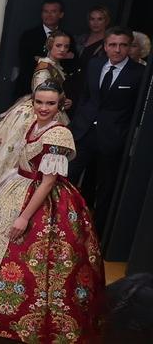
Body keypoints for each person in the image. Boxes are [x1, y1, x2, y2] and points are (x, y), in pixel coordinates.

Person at [0, 81, 105, 342]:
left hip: (44, 200)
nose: (43, 107)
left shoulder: (59, 133)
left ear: (59, 104)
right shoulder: (33, 125)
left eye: (50, 103)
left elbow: (49, 181)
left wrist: (24, 216)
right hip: (19, 185)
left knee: (35, 263)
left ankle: (28, 326)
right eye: (39, 102)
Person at [68, 27, 142, 229]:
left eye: (123, 45)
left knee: (105, 188)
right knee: (68, 178)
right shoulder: (95, 64)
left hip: (112, 139)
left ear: (129, 46)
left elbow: (136, 111)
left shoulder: (139, 73)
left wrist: (124, 137)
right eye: (112, 45)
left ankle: (97, 233)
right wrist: (76, 126)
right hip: (83, 133)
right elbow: (85, 97)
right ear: (105, 46)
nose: (117, 50)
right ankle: (63, 226)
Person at [0, 31, 72, 185]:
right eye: (59, 45)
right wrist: (60, 100)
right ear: (50, 45)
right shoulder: (45, 67)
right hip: (34, 111)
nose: (63, 49)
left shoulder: (54, 66)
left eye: (66, 46)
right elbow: (40, 92)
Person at [14, 0, 75, 100]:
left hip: (56, 94)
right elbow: (25, 62)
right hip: (27, 89)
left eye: (53, 12)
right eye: (46, 11)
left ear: (61, 14)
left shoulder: (68, 37)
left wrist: (38, 58)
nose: (49, 15)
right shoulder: (29, 35)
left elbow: (72, 63)